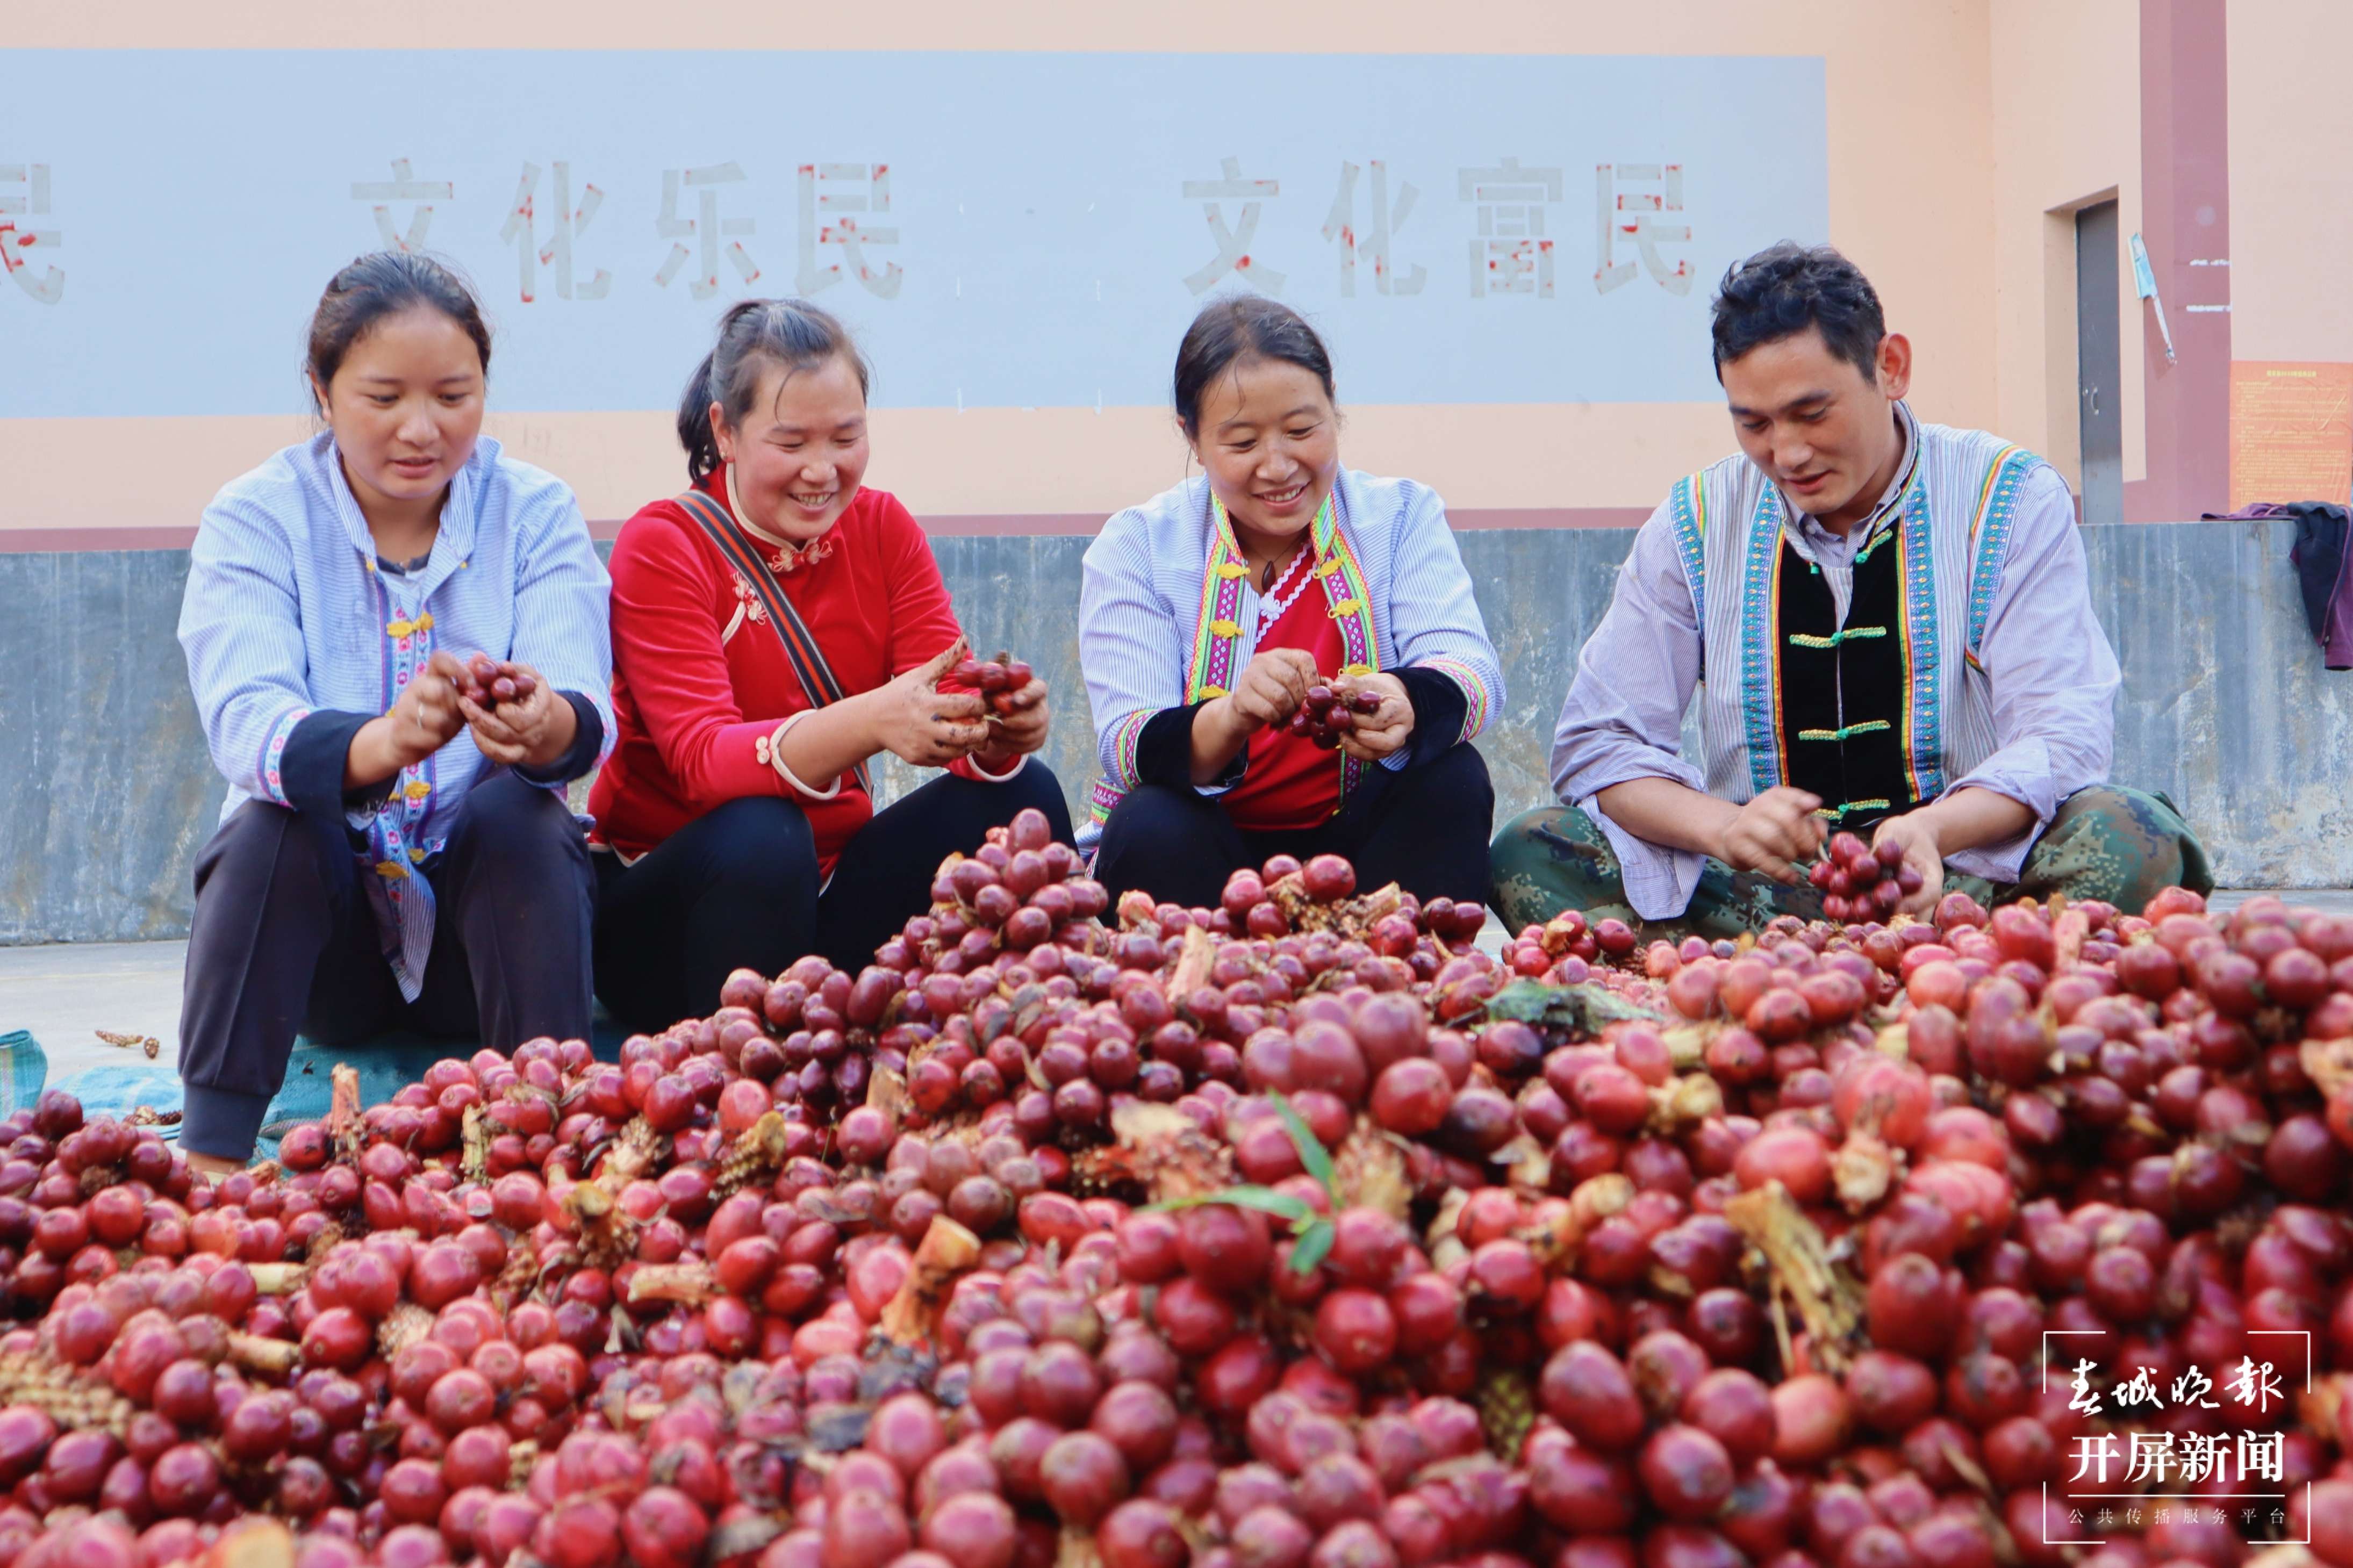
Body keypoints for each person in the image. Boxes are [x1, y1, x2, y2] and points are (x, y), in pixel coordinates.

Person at [1492, 242, 2209, 937]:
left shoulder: (2008, 497)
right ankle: (1959, 970)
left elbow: (2061, 733)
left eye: (1812, 413)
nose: (1787, 453)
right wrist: (1727, 827)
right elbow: (1601, 742)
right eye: (1754, 424)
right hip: (1757, 896)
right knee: (1534, 849)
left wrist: (1930, 830)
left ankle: (1868, 963)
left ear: (1889, 367)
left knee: (2131, 836)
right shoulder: (1693, 522)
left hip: (1962, 878)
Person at [176, 252, 614, 1174]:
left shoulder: (534, 511)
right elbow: (247, 720)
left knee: (522, 814)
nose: (422, 429)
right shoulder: (256, 518)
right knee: (274, 824)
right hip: (326, 958)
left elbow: (583, 703)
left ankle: (546, 1138)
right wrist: (384, 742)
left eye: (454, 396)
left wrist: (542, 724)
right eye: (384, 398)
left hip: (481, 947)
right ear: (322, 390)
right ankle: (212, 1154)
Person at [590, 299, 1067, 1028]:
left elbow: (944, 690)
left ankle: (1043, 1042)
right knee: (765, 832)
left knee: (1023, 794)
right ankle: (739, 1073)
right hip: (680, 917)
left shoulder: (882, 526)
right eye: (791, 443)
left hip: (829, 891)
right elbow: (703, 761)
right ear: (725, 431)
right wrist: (873, 720)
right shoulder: (664, 544)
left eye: (846, 437)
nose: (822, 470)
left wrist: (998, 729)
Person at [1080, 296, 1504, 910]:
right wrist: (1233, 714)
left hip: (1361, 845)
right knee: (1150, 822)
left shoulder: (1400, 515)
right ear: (1192, 438)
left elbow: (1472, 671)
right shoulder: (1139, 545)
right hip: (1206, 849)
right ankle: (1196, 968)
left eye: (1302, 431)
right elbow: (1128, 744)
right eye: (1242, 442)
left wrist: (1404, 698)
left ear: (1335, 408)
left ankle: (1404, 966)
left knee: (1452, 778)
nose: (1278, 467)